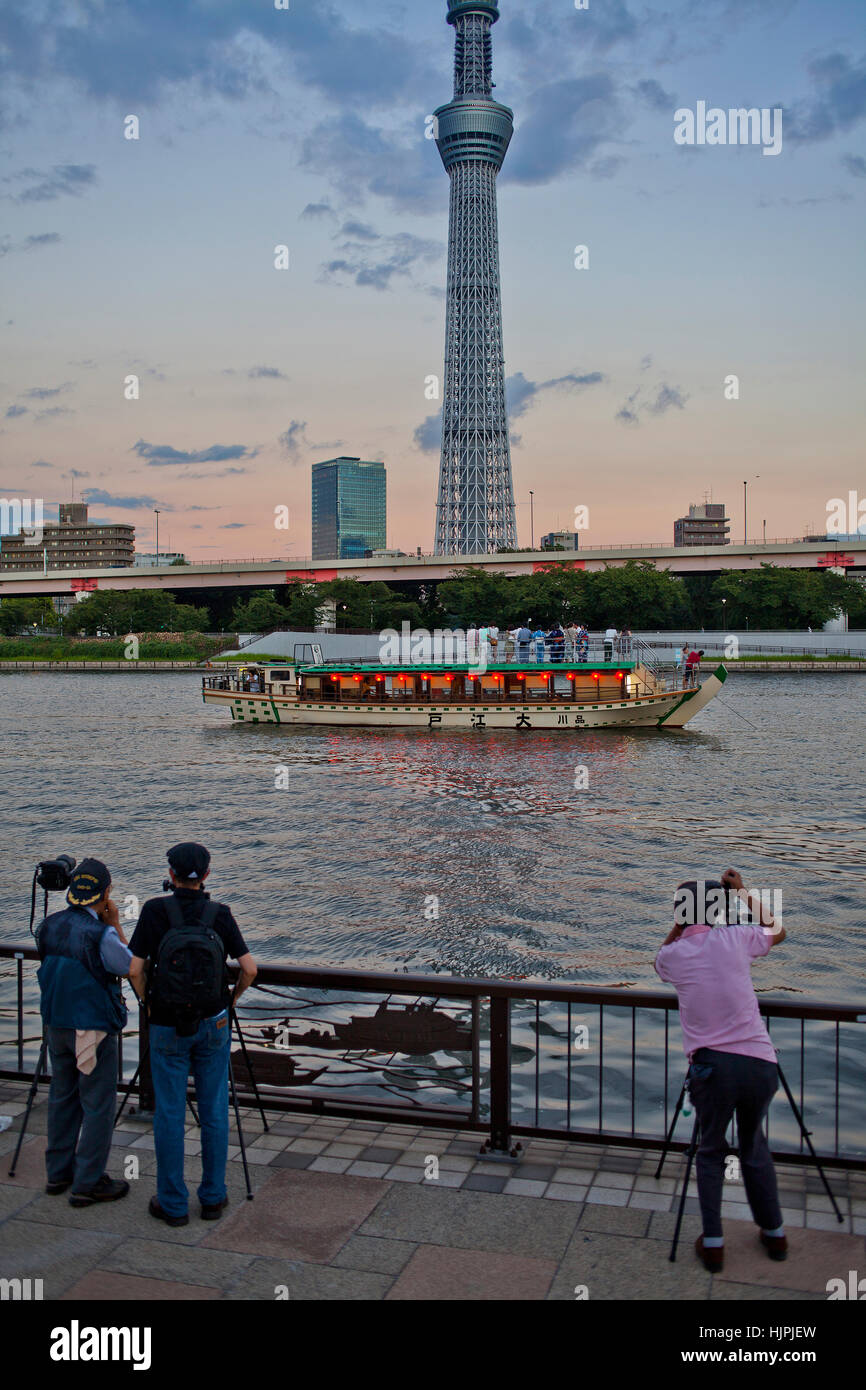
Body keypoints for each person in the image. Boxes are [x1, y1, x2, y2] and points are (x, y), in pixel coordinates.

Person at [655, 870, 787, 1273]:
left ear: (680, 912)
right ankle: (775, 1233)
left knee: (710, 1152)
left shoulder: (673, 956)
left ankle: (713, 1244)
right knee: (754, 1146)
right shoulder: (737, 939)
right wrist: (743, 892)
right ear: (719, 910)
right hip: (760, 1063)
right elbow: (778, 931)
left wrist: (680, 922)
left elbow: (659, 963)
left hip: (712, 1068)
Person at [129, 843, 258, 1227]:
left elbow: (135, 970)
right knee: (215, 1108)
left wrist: (146, 1004)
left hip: (167, 1023)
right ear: (206, 875)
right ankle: (213, 1198)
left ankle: (172, 1204)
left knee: (169, 1112)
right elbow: (249, 969)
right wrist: (230, 1002)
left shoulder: (154, 910)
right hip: (213, 1022)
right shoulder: (220, 914)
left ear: (170, 874)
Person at [36, 859, 133, 1206]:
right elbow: (128, 965)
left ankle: (57, 1173)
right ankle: (88, 1182)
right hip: (91, 1027)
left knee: (62, 1098)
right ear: (105, 893)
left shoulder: (48, 925)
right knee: (97, 1105)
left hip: (55, 1023)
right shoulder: (101, 933)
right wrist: (117, 925)